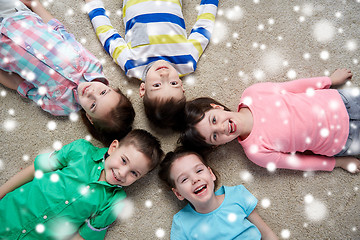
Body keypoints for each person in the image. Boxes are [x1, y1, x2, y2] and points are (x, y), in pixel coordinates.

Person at [0, 0, 135, 146]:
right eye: (103, 93)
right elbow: (61, 32)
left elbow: (21, 86)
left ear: (90, 118)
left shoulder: (61, 106)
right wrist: (35, 5)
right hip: (18, 16)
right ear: (113, 89)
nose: (91, 93)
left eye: (93, 105)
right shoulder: (92, 65)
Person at [180, 68, 360, 173]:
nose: (222, 128)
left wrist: (329, 80)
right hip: (343, 141)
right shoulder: (256, 153)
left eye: (213, 120)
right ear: (217, 145)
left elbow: (296, 87)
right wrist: (337, 163)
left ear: (216, 107)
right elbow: (299, 163)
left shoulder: (253, 94)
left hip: (340, 101)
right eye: (214, 136)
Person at [0, 129, 163, 240]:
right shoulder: (81, 150)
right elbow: (35, 169)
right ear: (114, 147)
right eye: (123, 161)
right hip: (8, 212)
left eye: (134, 173)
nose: (122, 173)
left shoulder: (115, 201)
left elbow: (84, 236)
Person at [84, 0, 219, 130]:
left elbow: (108, 36)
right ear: (181, 85)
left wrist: (93, 5)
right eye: (173, 83)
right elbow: (204, 27)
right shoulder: (187, 61)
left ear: (143, 89)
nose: (164, 75)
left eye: (157, 85)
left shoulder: (132, 65)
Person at [158, 147, 278, 239]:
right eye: (184, 179)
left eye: (199, 170)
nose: (195, 179)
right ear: (178, 193)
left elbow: (267, 234)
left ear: (211, 174)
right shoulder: (182, 222)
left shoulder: (237, 195)